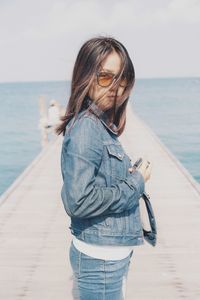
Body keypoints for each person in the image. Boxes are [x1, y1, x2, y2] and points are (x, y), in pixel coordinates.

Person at [56, 36, 152, 300]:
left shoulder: (99, 125)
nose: (116, 87)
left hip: (108, 257)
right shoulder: (87, 127)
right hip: (101, 262)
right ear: (86, 76)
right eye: (105, 77)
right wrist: (136, 182)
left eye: (122, 78)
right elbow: (78, 201)